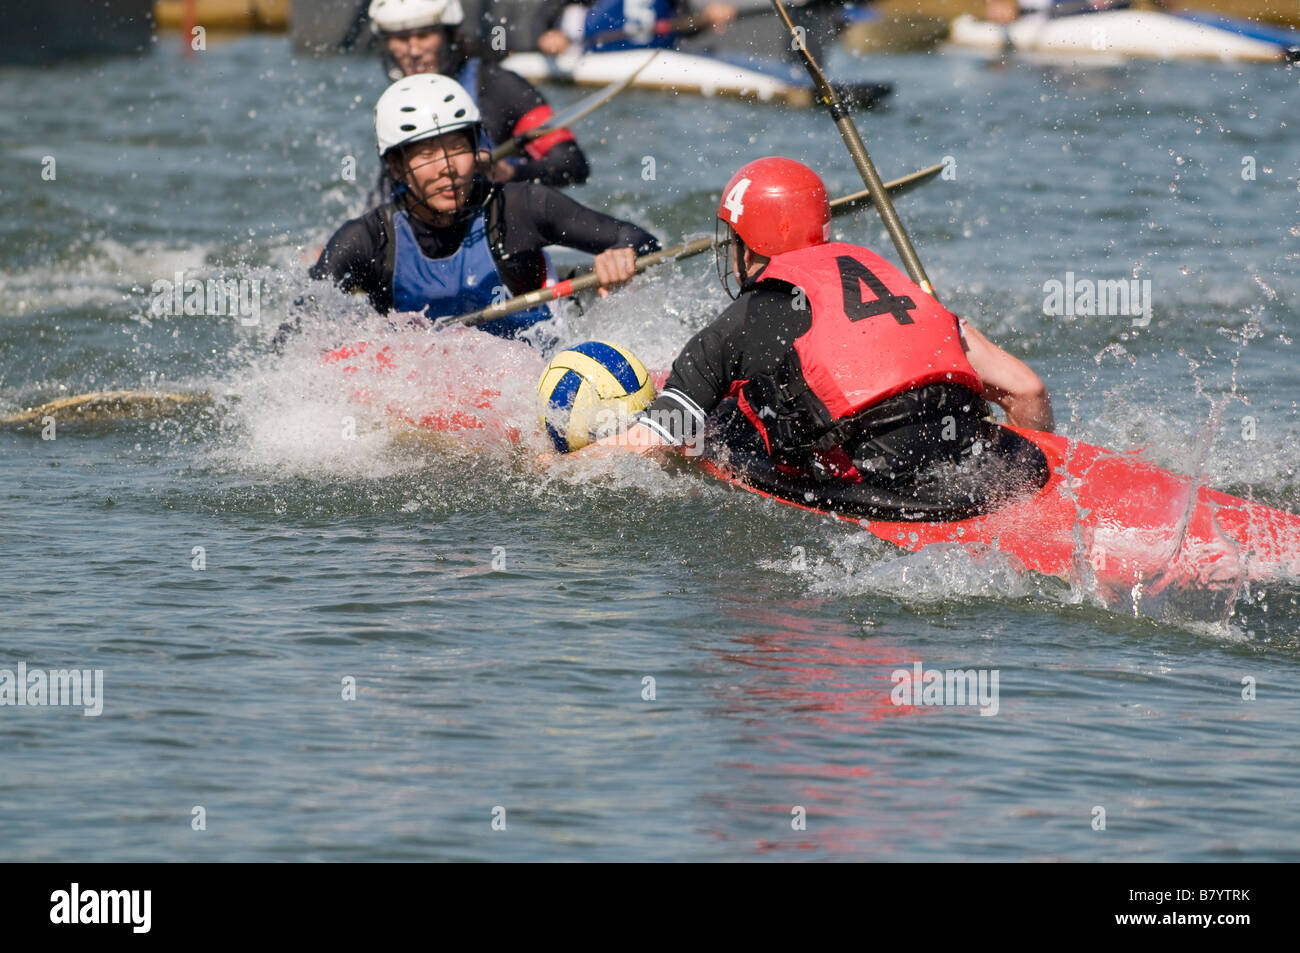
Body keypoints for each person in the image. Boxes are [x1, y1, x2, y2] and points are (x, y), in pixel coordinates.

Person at [579, 157, 1056, 520]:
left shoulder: (739, 323)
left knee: (723, 427)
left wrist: (540, 466)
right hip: (977, 465)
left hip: (882, 489)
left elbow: (654, 440)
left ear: (750, 242)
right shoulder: (894, 280)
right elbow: (1027, 390)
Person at [309, 74, 659, 341]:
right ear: (397, 167)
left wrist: (620, 255)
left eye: (457, 149)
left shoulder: (523, 206)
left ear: (477, 150)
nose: (447, 167)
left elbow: (641, 239)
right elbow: (302, 323)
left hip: (536, 371)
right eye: (428, 154)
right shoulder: (367, 239)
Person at [368, 0, 590, 188]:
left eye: (424, 35)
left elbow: (572, 164)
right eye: (400, 38)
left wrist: (511, 173)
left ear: (449, 35)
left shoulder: (500, 86)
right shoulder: (394, 100)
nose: (413, 51)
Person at [534, 0, 738, 56]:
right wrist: (550, 33)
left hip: (649, 60)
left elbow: (682, 25)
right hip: (588, 53)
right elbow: (550, 7)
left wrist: (706, 19)